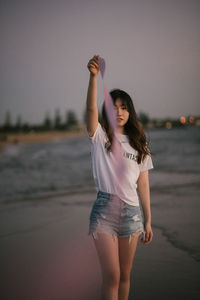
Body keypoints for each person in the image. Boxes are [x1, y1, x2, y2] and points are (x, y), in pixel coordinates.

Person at [86, 54, 154, 300]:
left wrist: (147, 220)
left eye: (124, 107)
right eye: (114, 107)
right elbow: (91, 109)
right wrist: (94, 78)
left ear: (130, 111)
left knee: (125, 275)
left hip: (132, 213)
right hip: (104, 211)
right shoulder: (101, 137)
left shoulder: (139, 143)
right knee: (112, 275)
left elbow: (143, 184)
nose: (119, 112)